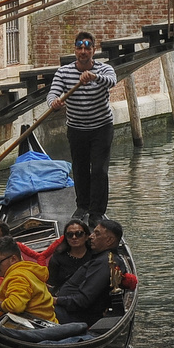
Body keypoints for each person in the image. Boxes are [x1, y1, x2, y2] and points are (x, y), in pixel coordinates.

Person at [48, 31, 118, 223]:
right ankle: (82, 206)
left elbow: (113, 81)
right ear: (75, 50)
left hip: (101, 127)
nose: (83, 51)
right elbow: (53, 93)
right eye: (79, 47)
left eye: (87, 48)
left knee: (99, 170)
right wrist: (53, 103)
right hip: (77, 128)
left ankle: (96, 212)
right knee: (79, 169)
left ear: (94, 51)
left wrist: (94, 77)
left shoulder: (104, 70)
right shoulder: (64, 72)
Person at [53, 217, 128, 326]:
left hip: (73, 316)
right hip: (70, 310)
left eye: (97, 234)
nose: (91, 236)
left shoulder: (104, 263)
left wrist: (55, 300)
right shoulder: (103, 259)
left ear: (109, 240)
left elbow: (83, 300)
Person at [0, 237, 58, 324]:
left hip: (36, 329)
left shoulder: (17, 276)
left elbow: (16, 306)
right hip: (47, 321)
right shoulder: (27, 269)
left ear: (13, 259)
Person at [45, 218, 93, 293]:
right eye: (70, 235)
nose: (74, 237)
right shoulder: (57, 258)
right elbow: (51, 284)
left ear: (86, 236)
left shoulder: (95, 256)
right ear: (66, 238)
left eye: (79, 234)